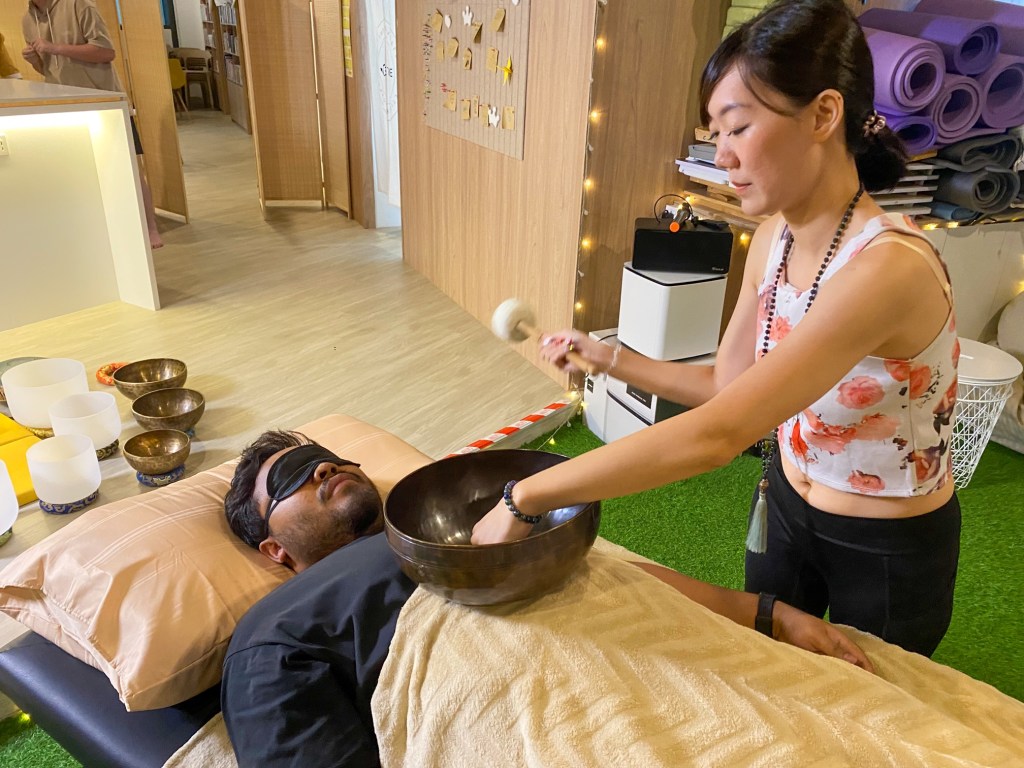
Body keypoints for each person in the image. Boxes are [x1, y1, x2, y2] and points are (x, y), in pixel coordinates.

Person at [472, 0, 961, 659]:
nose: (721, 154)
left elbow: (718, 435)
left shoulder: (887, 269)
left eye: (737, 127)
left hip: (883, 546)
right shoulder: (773, 238)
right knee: (772, 665)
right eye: (715, 132)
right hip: (785, 505)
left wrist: (525, 496)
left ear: (824, 114)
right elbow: (729, 388)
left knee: (868, 702)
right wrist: (608, 358)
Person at [219, 430, 872, 767]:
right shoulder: (277, 627)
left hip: (668, 670)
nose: (325, 467)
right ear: (274, 550)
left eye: (330, 457)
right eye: (294, 477)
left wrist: (766, 613)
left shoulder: (473, 528)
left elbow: (612, 573)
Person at [22, 0, 164, 248]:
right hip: (64, 105)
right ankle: (104, 229)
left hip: (105, 101)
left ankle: (150, 227)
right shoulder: (28, 19)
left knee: (130, 167)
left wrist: (55, 47)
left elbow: (106, 52)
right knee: (84, 171)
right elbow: (47, 69)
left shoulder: (80, 5)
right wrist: (34, 59)